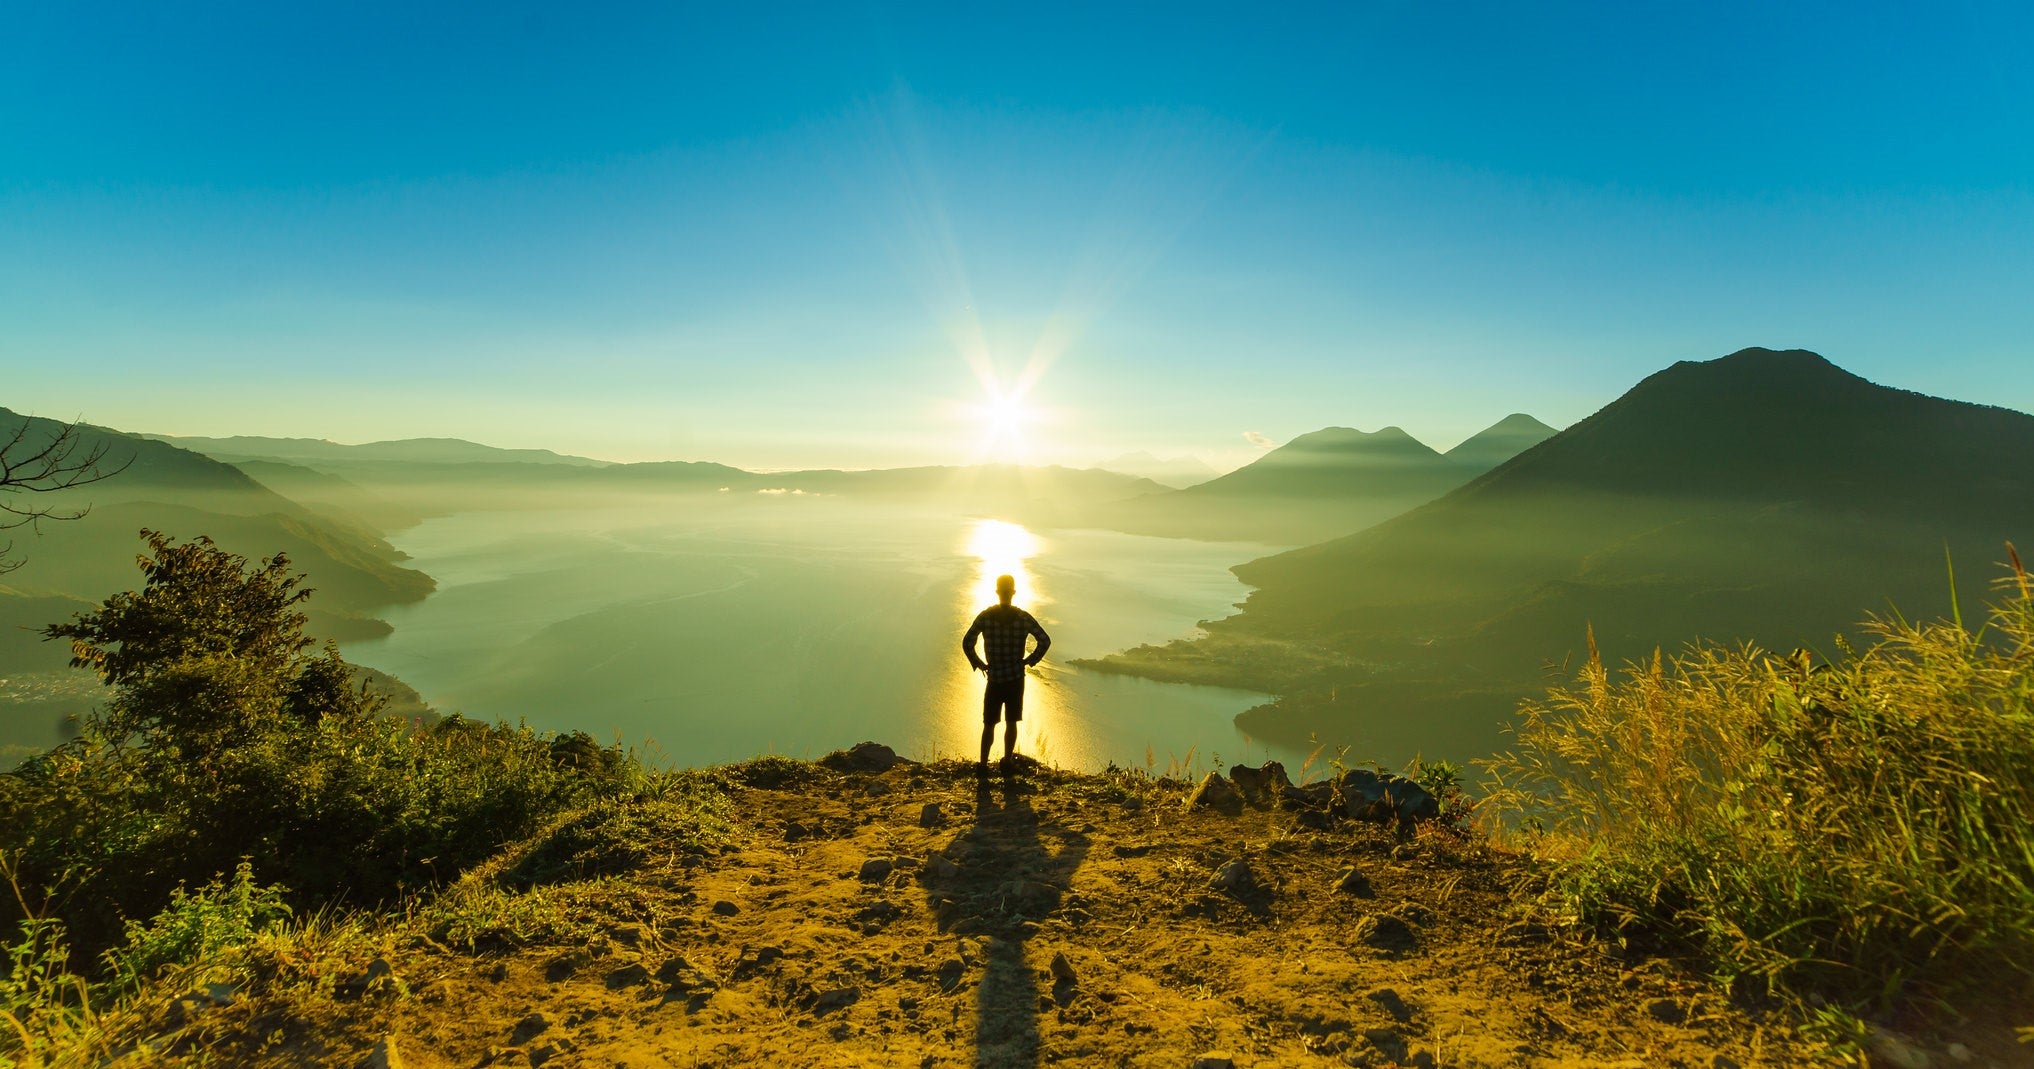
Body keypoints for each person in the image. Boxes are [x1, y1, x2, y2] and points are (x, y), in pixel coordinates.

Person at [961, 573, 1051, 774]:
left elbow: (967, 642)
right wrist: (1030, 661)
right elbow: (1044, 640)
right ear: (1013, 592)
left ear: (996, 592)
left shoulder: (986, 616)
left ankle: (983, 765)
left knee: (989, 723)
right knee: (1012, 721)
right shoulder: (1023, 617)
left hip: (994, 678)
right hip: (1016, 678)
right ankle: (1007, 762)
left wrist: (980, 664)